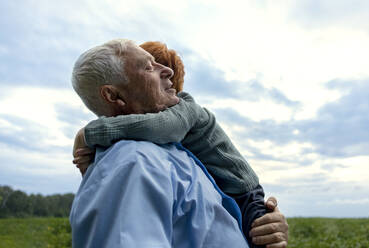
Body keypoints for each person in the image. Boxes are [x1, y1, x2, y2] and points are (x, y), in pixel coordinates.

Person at [71, 39, 288, 247]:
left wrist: (273, 230)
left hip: (245, 191)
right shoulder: (135, 159)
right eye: (148, 68)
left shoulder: (180, 133)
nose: (168, 76)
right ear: (114, 94)